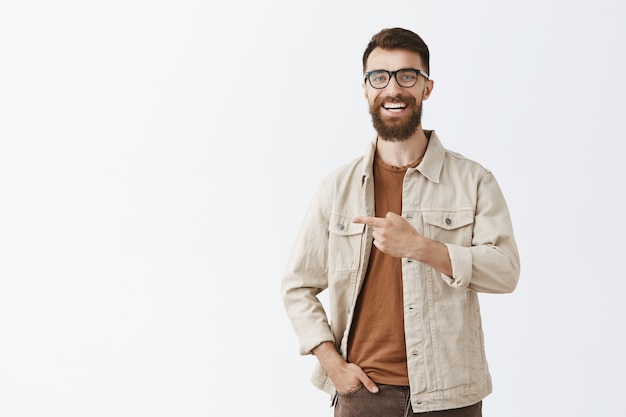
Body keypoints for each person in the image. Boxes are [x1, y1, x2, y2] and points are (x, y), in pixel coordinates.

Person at [281, 27, 520, 417]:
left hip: (452, 397)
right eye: (380, 77)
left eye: (407, 75)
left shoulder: (474, 181)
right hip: (363, 395)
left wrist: (424, 248)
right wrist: (333, 366)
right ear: (366, 91)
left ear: (427, 87)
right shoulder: (336, 188)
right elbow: (297, 286)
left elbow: (506, 271)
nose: (393, 88)